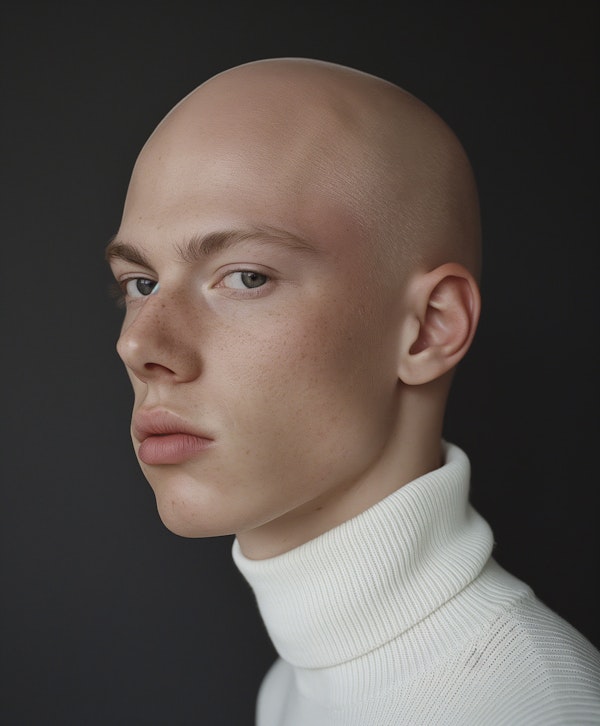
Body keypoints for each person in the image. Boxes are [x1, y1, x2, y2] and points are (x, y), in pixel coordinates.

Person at [106, 58, 600, 725]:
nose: (139, 345)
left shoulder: (524, 705)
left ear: (428, 329)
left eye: (246, 277)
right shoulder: (294, 689)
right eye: (140, 284)